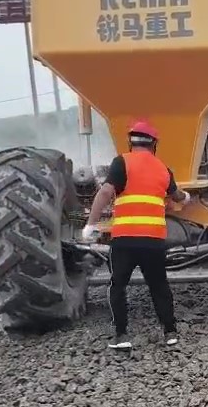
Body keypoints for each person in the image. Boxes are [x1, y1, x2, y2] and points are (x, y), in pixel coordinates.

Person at [82, 120, 191, 352]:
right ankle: (170, 333)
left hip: (125, 240)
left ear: (130, 142)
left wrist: (91, 224)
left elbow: (106, 191)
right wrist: (186, 198)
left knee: (117, 285)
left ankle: (122, 335)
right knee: (159, 285)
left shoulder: (121, 162)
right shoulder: (163, 169)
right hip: (153, 240)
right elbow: (177, 195)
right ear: (154, 144)